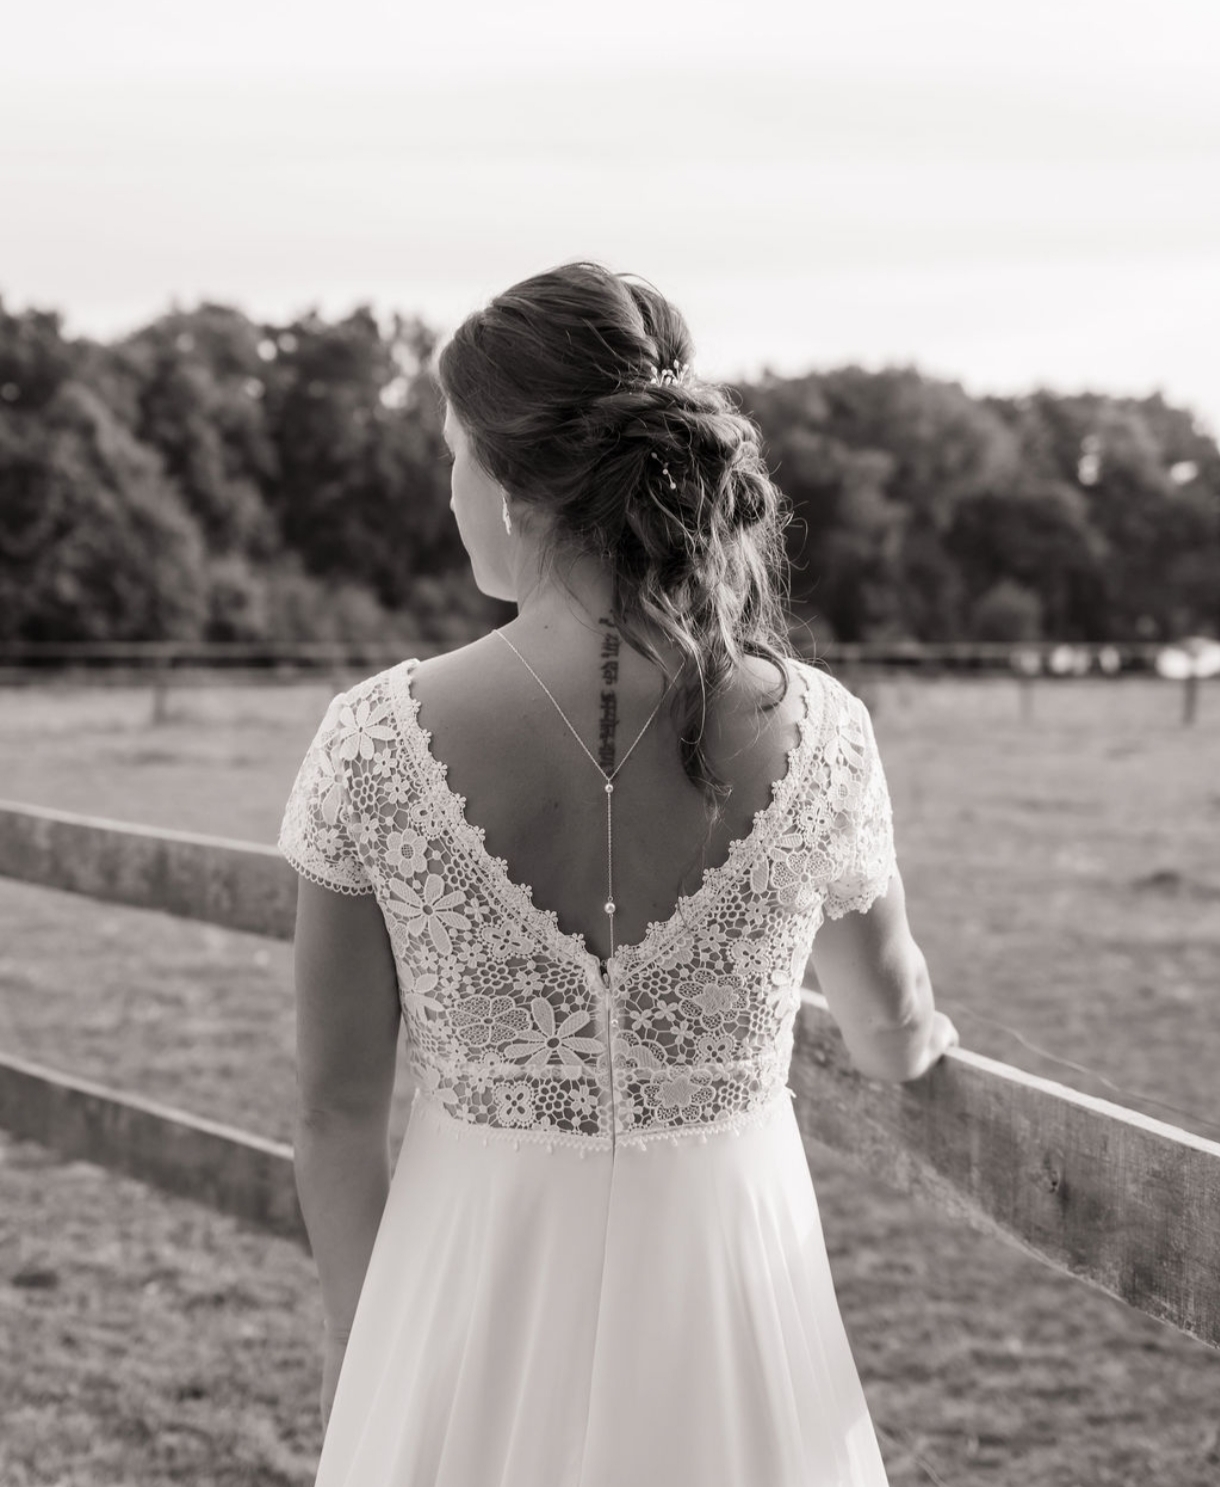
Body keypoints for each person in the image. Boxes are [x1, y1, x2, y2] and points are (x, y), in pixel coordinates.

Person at [278, 260, 959, 1486]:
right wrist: (920, 1042)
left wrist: (369, 1353)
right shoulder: (823, 730)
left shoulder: (373, 741)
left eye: (450, 452)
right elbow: (890, 1022)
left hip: (458, 1304)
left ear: (508, 479)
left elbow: (334, 1109)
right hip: (729, 1296)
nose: (447, 489)